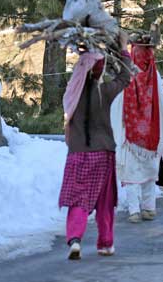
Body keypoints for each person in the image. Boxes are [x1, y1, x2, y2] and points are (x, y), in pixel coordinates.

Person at [58, 32, 131, 260]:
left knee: (78, 199)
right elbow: (125, 77)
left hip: (77, 154)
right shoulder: (105, 91)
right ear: (99, 70)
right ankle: (105, 243)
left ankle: (75, 239)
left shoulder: (72, 94)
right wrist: (123, 49)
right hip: (103, 154)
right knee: (105, 202)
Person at [111, 45, 163, 223]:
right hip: (151, 137)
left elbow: (117, 104)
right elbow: (162, 107)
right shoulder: (156, 77)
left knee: (132, 175)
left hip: (130, 136)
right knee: (149, 173)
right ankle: (149, 208)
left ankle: (134, 211)